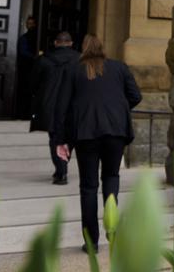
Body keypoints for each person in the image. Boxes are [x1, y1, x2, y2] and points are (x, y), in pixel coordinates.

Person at [53, 34, 142, 252]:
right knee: (111, 178)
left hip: (86, 134)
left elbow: (61, 107)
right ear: (103, 48)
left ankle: (91, 242)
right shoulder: (119, 68)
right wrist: (118, 110)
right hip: (115, 132)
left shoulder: (73, 70)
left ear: (82, 49)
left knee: (88, 187)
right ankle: (112, 232)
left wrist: (60, 140)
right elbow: (136, 96)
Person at [31, 31, 79, 184]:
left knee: (55, 137)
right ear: (71, 43)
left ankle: (61, 170)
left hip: (50, 105)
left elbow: (33, 83)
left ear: (56, 43)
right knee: (70, 137)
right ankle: (62, 166)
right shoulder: (79, 60)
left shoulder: (43, 60)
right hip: (73, 105)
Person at [15, 15, 38, 118]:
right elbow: (23, 52)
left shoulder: (38, 37)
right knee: (25, 91)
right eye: (28, 24)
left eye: (32, 23)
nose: (30, 26)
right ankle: (23, 113)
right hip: (26, 69)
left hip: (36, 69)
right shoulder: (23, 38)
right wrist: (35, 57)